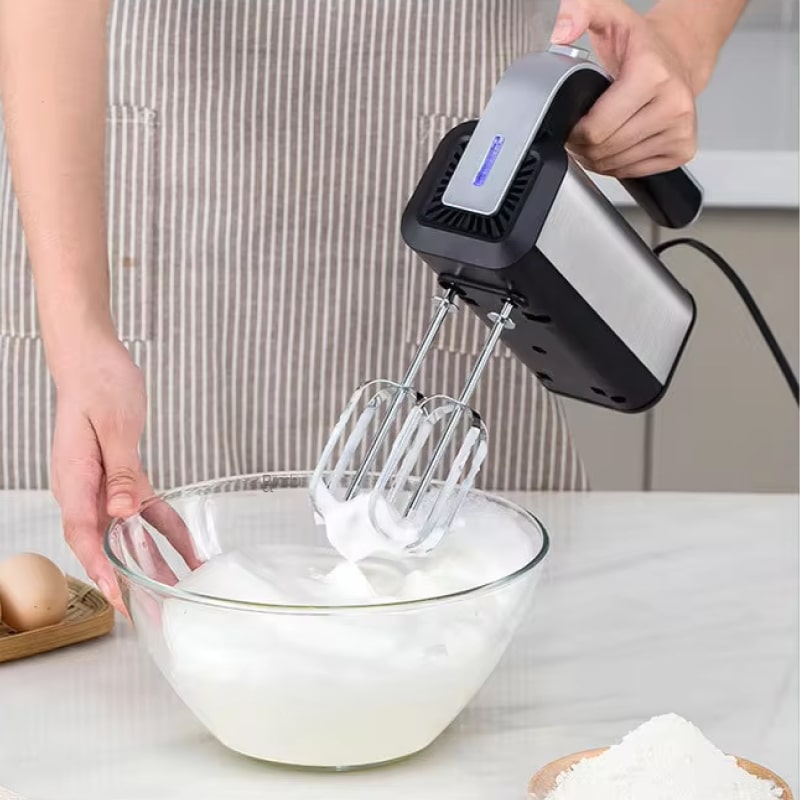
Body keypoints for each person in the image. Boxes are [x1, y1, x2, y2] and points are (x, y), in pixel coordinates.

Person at [0, 0, 747, 613]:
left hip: (466, 215)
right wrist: (79, 338)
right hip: (131, 228)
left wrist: (683, 38)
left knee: (480, 611)